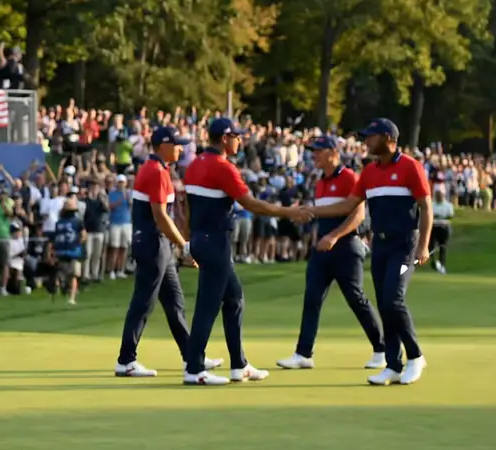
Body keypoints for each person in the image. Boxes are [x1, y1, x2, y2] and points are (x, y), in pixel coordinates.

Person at [301, 118, 432, 386]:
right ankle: (394, 365)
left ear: (388, 138)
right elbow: (348, 205)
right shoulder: (369, 172)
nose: (366, 142)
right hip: (380, 247)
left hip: (405, 247)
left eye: (371, 137)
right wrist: (309, 211)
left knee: (393, 300)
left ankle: (415, 356)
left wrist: (424, 245)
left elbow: (426, 207)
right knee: (385, 303)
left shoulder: (410, 167)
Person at [179, 117, 292, 386]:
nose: (240, 140)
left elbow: (186, 208)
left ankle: (238, 364)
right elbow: (251, 204)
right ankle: (194, 368)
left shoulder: (194, 165)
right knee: (208, 305)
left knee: (234, 299)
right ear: (225, 138)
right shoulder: (224, 168)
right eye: (237, 136)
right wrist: (289, 212)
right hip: (216, 242)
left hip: (201, 239)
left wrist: (187, 243)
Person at [115, 126, 218, 377]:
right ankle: (126, 360)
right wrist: (185, 246)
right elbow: (160, 217)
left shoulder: (157, 169)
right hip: (153, 243)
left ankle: (191, 355)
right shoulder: (156, 172)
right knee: (144, 301)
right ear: (163, 145)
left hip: (158, 244)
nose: (181, 149)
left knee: (175, 302)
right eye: (177, 144)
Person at [275, 135, 385, 371]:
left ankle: (381, 349)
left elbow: (358, 216)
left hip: (346, 248)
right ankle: (303, 353)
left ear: (333, 152)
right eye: (312, 151)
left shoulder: (349, 178)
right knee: (311, 298)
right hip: (322, 249)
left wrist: (334, 236)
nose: (313, 155)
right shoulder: (319, 182)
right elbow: (322, 215)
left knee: (356, 299)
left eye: (318, 151)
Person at [50, 189, 85, 305]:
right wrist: (78, 243)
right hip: (73, 251)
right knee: (72, 276)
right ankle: (71, 297)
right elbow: (84, 235)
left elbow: (54, 239)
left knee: (65, 274)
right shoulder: (77, 221)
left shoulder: (59, 222)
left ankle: (65, 293)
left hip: (63, 252)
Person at [428, 187, 454, 274]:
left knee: (443, 247)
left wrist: (437, 216)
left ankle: (442, 266)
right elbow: (430, 215)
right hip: (434, 227)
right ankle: (434, 263)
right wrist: (438, 216)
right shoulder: (432, 204)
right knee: (430, 247)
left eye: (440, 194)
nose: (439, 196)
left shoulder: (448, 205)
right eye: (437, 194)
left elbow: (450, 216)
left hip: (444, 227)